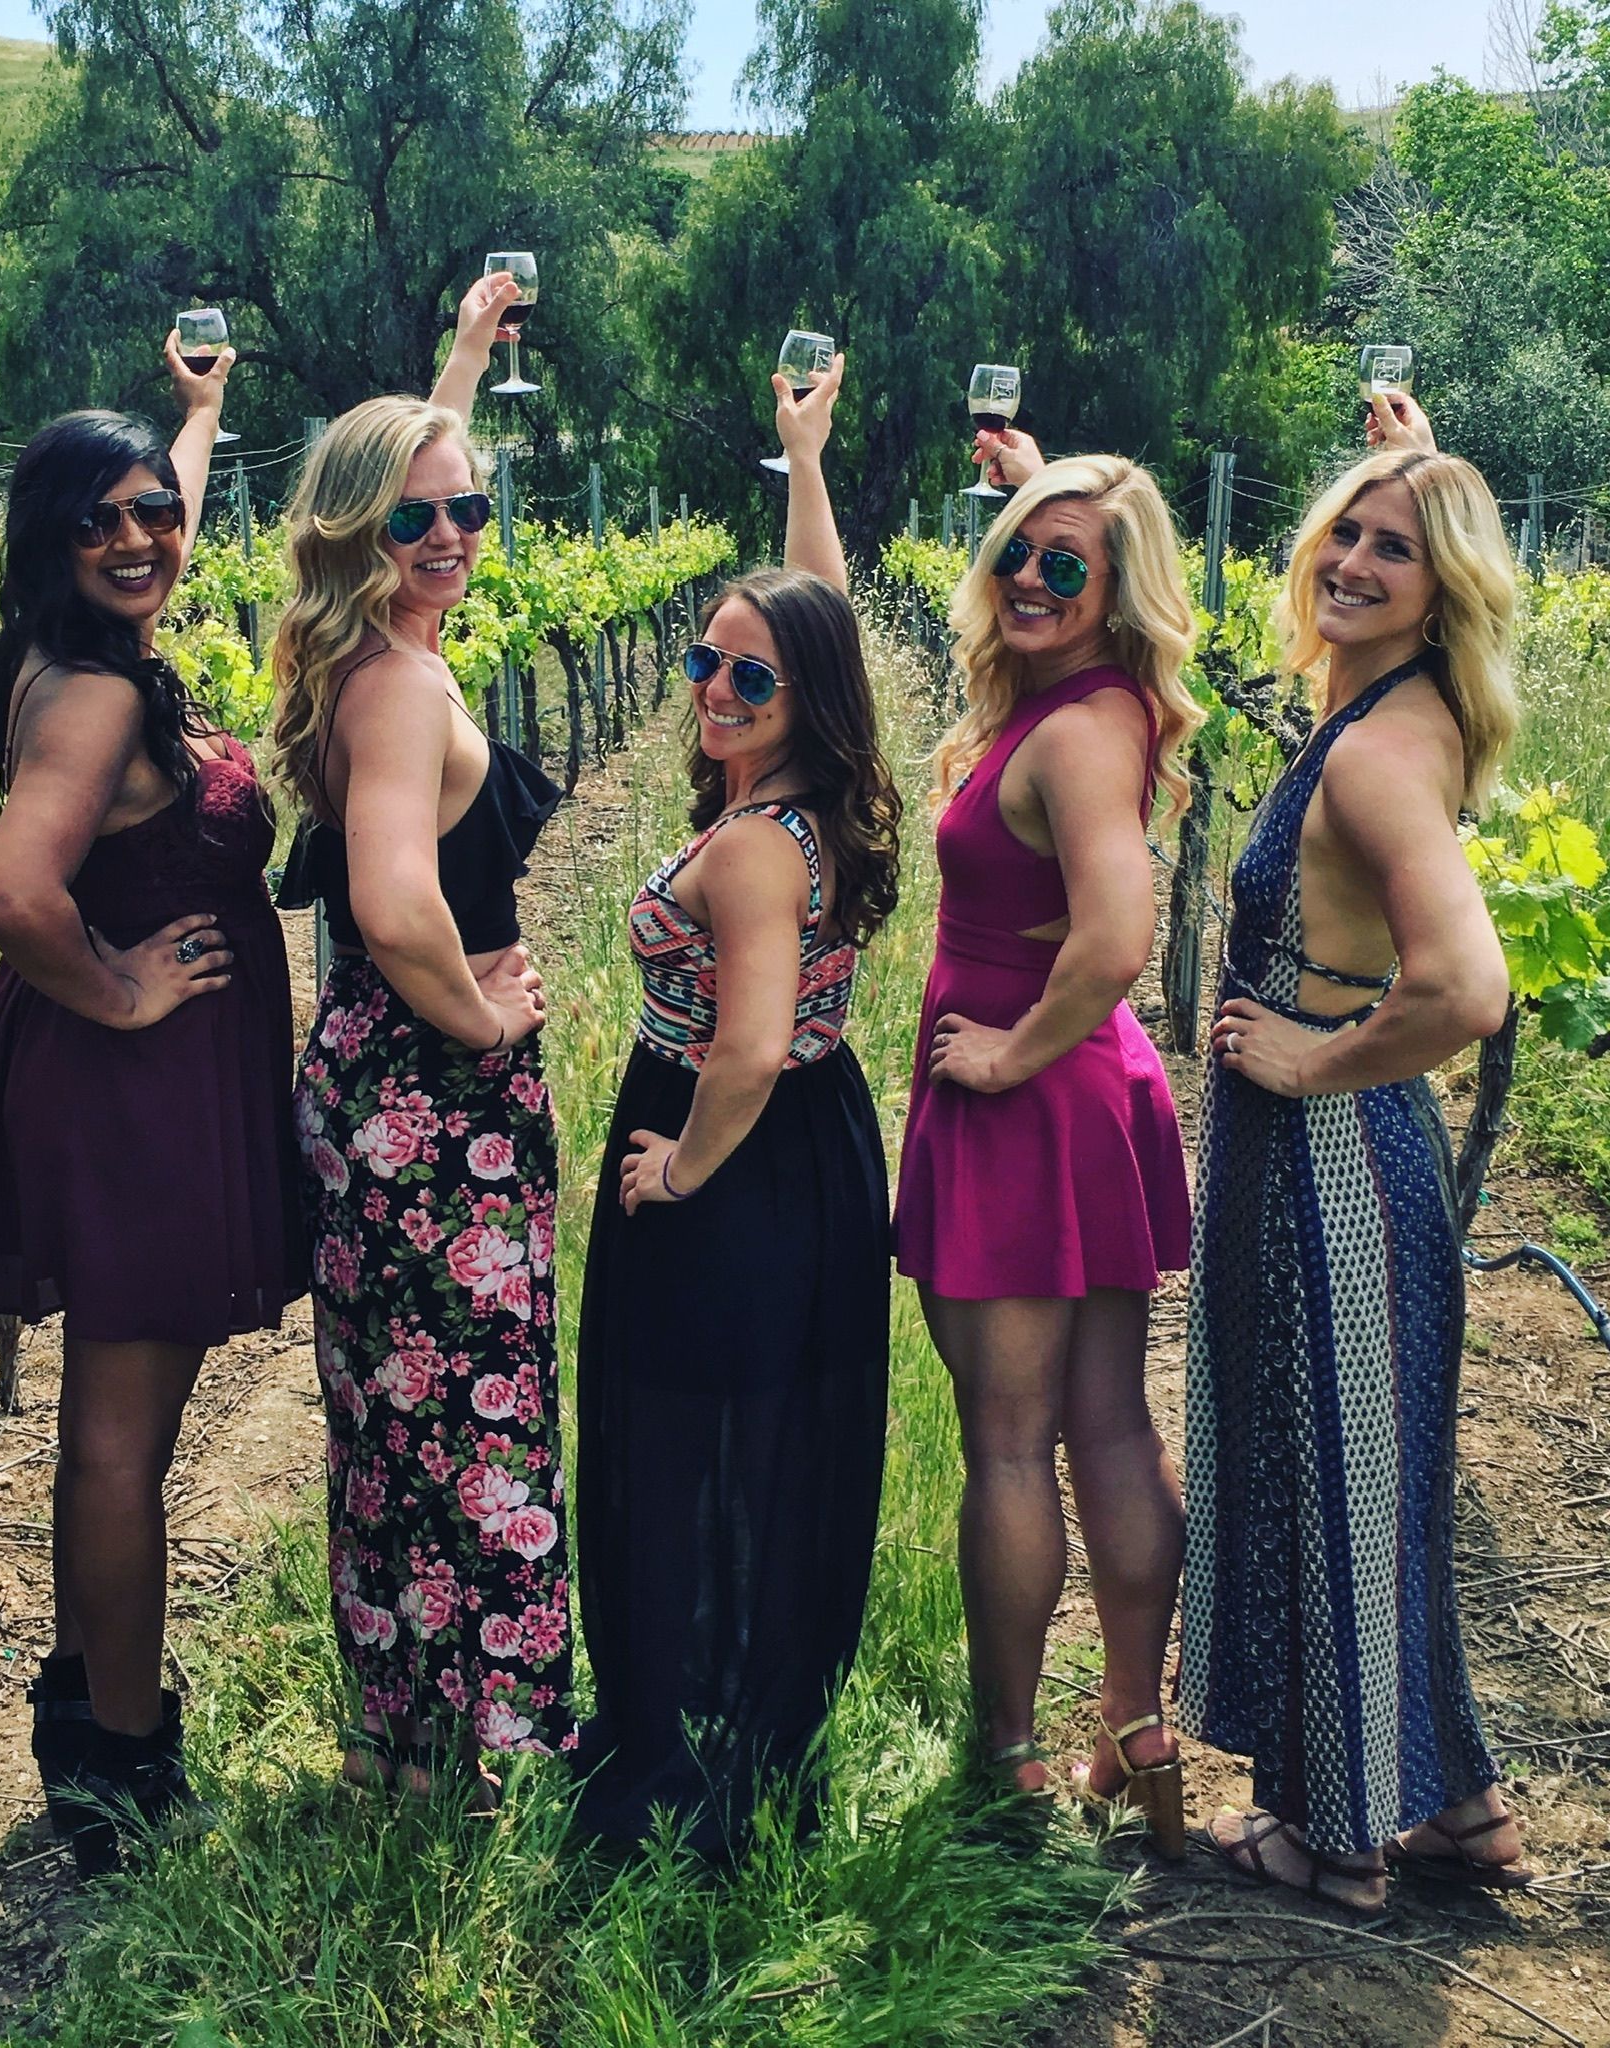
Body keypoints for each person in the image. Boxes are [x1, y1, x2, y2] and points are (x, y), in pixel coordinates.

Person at [0, 337, 305, 1874]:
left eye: (157, 512)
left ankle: (91, 1717)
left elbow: (150, 527)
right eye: (101, 520)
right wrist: (125, 991)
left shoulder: (68, 655)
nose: (140, 539)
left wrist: (200, 423)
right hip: (130, 1087)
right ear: (51, 539)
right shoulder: (94, 694)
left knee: (115, 1429)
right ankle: (121, 1761)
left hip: (117, 1084)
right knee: (120, 1444)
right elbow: (11, 889)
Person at [1182, 394, 1528, 1913]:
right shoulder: (1407, 708)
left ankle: (1336, 1842)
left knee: (1323, 1476)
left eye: (1399, 549)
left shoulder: (1379, 754)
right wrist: (1426, 459)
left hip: (1326, 1160)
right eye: (1348, 532)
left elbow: (1467, 985)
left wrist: (1313, 1057)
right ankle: (1456, 1808)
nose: (1357, 561)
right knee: (1379, 1480)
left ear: (1441, 590)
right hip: (1342, 1155)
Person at [569, 358, 901, 1858]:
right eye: (706, 661)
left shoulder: (761, 845)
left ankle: (674, 1725)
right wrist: (803, 460)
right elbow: (810, 613)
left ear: (801, 700)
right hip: (814, 1153)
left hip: (739, 1146)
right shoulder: (814, 795)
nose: (712, 689)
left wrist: (681, 1172)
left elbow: (750, 1048)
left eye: (746, 678)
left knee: (671, 1422)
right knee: (762, 1432)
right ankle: (740, 1690)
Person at [270, 273, 571, 1804]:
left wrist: (459, 349)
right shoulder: (397, 684)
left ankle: (409, 1737)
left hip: (377, 1097)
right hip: (423, 1105)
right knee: (476, 1410)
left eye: (467, 513)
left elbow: (417, 454)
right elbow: (395, 904)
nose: (449, 538)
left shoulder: (358, 656)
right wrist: (482, 1020)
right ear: (353, 536)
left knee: (397, 1417)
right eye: (413, 522)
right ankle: (499, 1748)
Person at [888, 431, 1203, 1856]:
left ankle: (1010, 1757)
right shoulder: (1104, 702)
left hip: (1031, 1093)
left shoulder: (1077, 729)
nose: (1027, 573)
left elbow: (1119, 933)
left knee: (1012, 1446)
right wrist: (1052, 480)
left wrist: (1011, 1052)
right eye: (1014, 546)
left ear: (1117, 587)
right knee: (1111, 1421)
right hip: (1089, 1092)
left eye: (1063, 561)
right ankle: (1135, 1724)